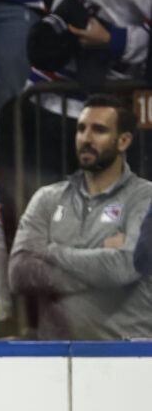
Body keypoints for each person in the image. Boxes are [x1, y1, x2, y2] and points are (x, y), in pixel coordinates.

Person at [9, 95, 152, 340]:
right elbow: (19, 273)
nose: (86, 138)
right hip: (57, 354)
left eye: (99, 130)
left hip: (126, 354)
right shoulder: (48, 198)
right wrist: (98, 260)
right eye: (81, 129)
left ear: (124, 141)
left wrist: (53, 252)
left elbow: (125, 267)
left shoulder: (144, 198)